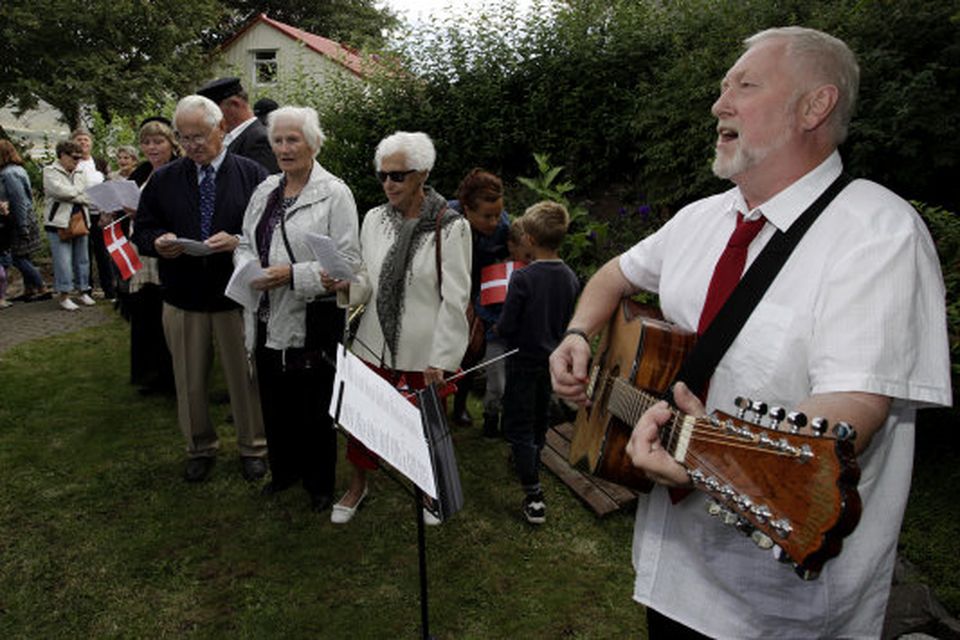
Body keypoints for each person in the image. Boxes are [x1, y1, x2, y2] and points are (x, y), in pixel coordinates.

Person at [548, 27, 951, 638]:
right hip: (667, 570)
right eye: (721, 87)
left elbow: (850, 414)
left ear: (815, 106)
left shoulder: (878, 233)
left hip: (777, 608)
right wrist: (579, 334)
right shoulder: (698, 219)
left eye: (745, 85)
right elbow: (612, 275)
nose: (719, 104)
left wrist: (709, 459)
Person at [323, 131, 471, 525]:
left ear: (422, 174)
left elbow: (456, 299)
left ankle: (430, 488)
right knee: (362, 422)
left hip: (424, 349)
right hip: (373, 342)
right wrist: (345, 286)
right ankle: (358, 486)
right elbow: (366, 280)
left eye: (398, 176)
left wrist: (442, 358)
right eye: (383, 176)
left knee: (426, 427)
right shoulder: (373, 219)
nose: (388, 183)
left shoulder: (450, 226)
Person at [132, 95, 269, 483]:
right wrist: (158, 241)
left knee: (244, 378)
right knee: (189, 380)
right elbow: (142, 229)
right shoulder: (164, 178)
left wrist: (239, 241)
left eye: (199, 135)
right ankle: (199, 446)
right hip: (183, 296)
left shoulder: (252, 174)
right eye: (184, 136)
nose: (191, 144)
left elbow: (270, 232)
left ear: (221, 129)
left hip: (235, 295)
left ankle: (253, 446)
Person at [234, 106, 361, 512]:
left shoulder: (334, 192)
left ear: (313, 143)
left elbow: (347, 263)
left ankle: (319, 482)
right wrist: (247, 269)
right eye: (278, 140)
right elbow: (243, 243)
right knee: (274, 399)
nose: (284, 148)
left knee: (314, 404)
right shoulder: (265, 190)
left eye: (293, 140)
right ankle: (284, 471)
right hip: (266, 313)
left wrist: (292, 274)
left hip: (314, 317)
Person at [496, 201, 579, 524]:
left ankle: (533, 495)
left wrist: (498, 329)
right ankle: (531, 458)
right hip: (551, 362)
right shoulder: (570, 276)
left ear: (528, 239)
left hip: (522, 359)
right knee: (539, 416)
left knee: (517, 422)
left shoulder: (523, 278)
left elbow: (509, 323)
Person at [448, 168, 510, 428]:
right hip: (446, 286)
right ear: (467, 209)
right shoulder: (446, 218)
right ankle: (431, 403)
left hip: (479, 291)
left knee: (472, 349)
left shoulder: (503, 228)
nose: (494, 221)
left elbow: (512, 259)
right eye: (487, 216)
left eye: (498, 214)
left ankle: (459, 405)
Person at [124, 116, 181, 395]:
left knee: (165, 316)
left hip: (164, 252)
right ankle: (150, 374)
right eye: (146, 142)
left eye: (158, 141)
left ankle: (170, 375)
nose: (152, 147)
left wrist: (142, 214)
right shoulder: (141, 173)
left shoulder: (177, 172)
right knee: (145, 312)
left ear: (171, 144)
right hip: (141, 253)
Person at [479, 218, 531, 438]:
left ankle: (509, 425)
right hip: (496, 337)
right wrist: (496, 322)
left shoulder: (533, 274)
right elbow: (480, 303)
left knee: (517, 386)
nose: (530, 259)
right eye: (526, 254)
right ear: (512, 245)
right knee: (497, 384)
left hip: (521, 340)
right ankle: (490, 416)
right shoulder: (495, 271)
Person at [42, 140, 96, 311]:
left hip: (81, 220)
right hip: (58, 222)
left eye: (79, 158)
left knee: (82, 259)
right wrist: (80, 195)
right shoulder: (50, 171)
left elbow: (89, 193)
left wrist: (78, 195)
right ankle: (64, 294)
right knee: (63, 261)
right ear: (62, 155)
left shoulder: (80, 171)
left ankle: (83, 291)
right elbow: (59, 192)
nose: (77, 161)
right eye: (73, 157)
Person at [197, 77, 279, 174]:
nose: (208, 116)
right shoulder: (233, 137)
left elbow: (262, 184)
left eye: (212, 110)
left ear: (234, 104)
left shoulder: (260, 141)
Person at [0, 140, 48, 301]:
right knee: (25, 255)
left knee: (17, 257)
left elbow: (18, 200)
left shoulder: (8, 174)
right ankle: (30, 289)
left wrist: (22, 226)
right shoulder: (18, 170)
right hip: (26, 216)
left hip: (19, 218)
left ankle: (41, 286)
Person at [71, 127, 116, 301]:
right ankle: (85, 290)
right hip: (80, 214)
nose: (83, 143)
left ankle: (109, 290)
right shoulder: (71, 163)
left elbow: (109, 186)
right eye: (79, 140)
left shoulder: (100, 163)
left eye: (86, 140)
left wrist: (108, 211)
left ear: (91, 143)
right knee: (83, 253)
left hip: (100, 213)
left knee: (103, 253)